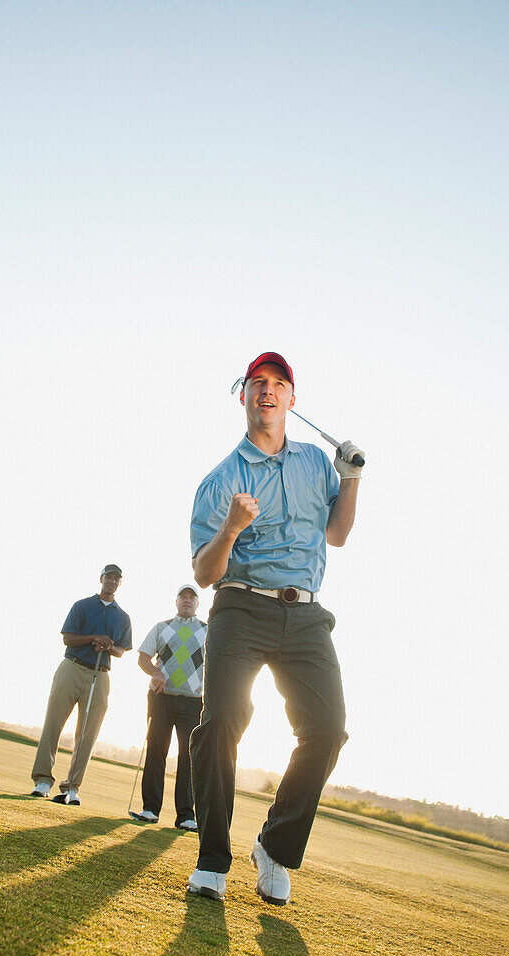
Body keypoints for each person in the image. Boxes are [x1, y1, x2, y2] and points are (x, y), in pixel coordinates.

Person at [186, 352, 364, 905]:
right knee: (221, 720)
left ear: (292, 400)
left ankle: (274, 846)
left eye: (279, 384)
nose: (268, 390)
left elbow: (336, 534)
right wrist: (233, 528)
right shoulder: (221, 480)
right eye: (258, 382)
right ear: (243, 396)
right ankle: (213, 858)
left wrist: (351, 478)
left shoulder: (315, 462)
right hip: (241, 607)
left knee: (328, 728)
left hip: (306, 615)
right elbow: (204, 572)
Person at [30, 564, 132, 805]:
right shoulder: (82, 605)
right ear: (101, 579)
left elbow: (121, 650)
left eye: (117, 578)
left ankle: (72, 787)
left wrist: (108, 646)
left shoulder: (123, 616)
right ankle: (43, 781)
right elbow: (68, 638)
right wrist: (94, 637)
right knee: (53, 724)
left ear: (120, 583)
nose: (113, 581)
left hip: (101, 674)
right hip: (72, 667)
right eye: (109, 577)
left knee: (87, 733)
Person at [130, 585, 207, 831]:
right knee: (156, 751)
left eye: (191, 597)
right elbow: (143, 657)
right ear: (176, 602)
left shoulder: (209, 631)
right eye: (183, 597)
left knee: (189, 758)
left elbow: (218, 665)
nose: (187, 600)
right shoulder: (162, 628)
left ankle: (185, 815)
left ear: (197, 604)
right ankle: (150, 809)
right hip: (161, 698)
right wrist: (155, 672)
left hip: (193, 702)